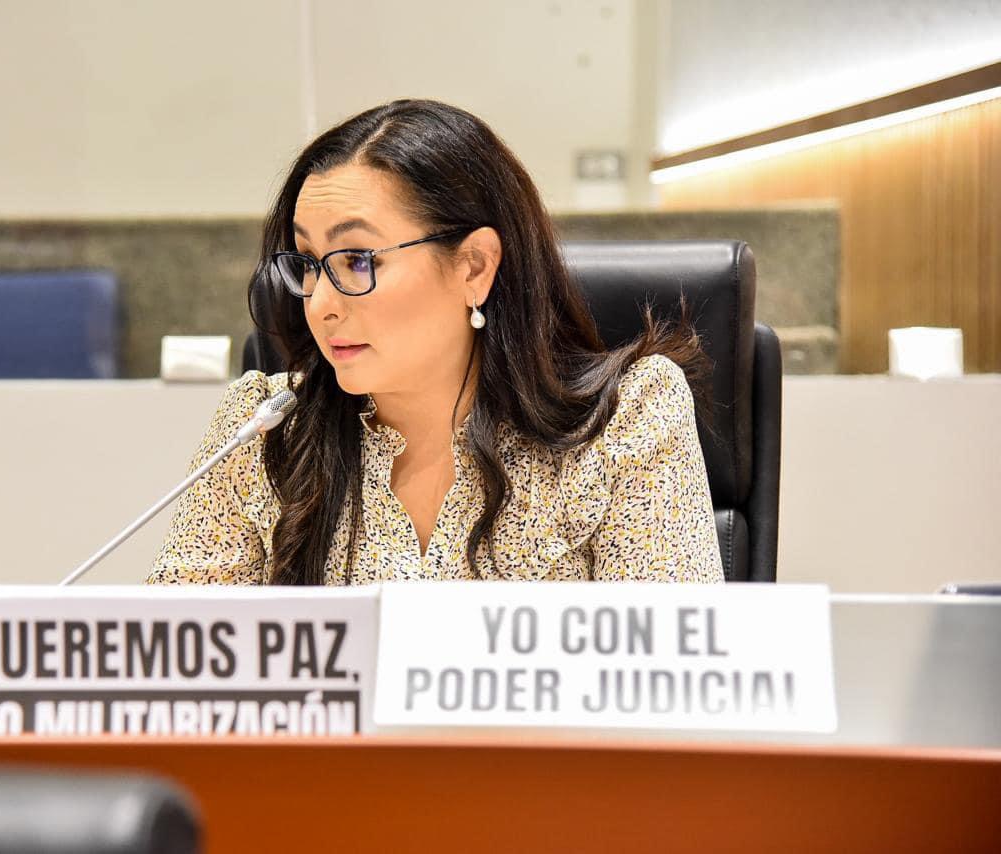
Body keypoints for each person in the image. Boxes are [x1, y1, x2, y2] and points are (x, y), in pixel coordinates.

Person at [149, 99, 723, 586]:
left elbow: (671, 670)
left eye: (357, 260)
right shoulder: (266, 433)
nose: (320, 304)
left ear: (474, 266)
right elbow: (174, 662)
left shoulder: (625, 420)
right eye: (307, 263)